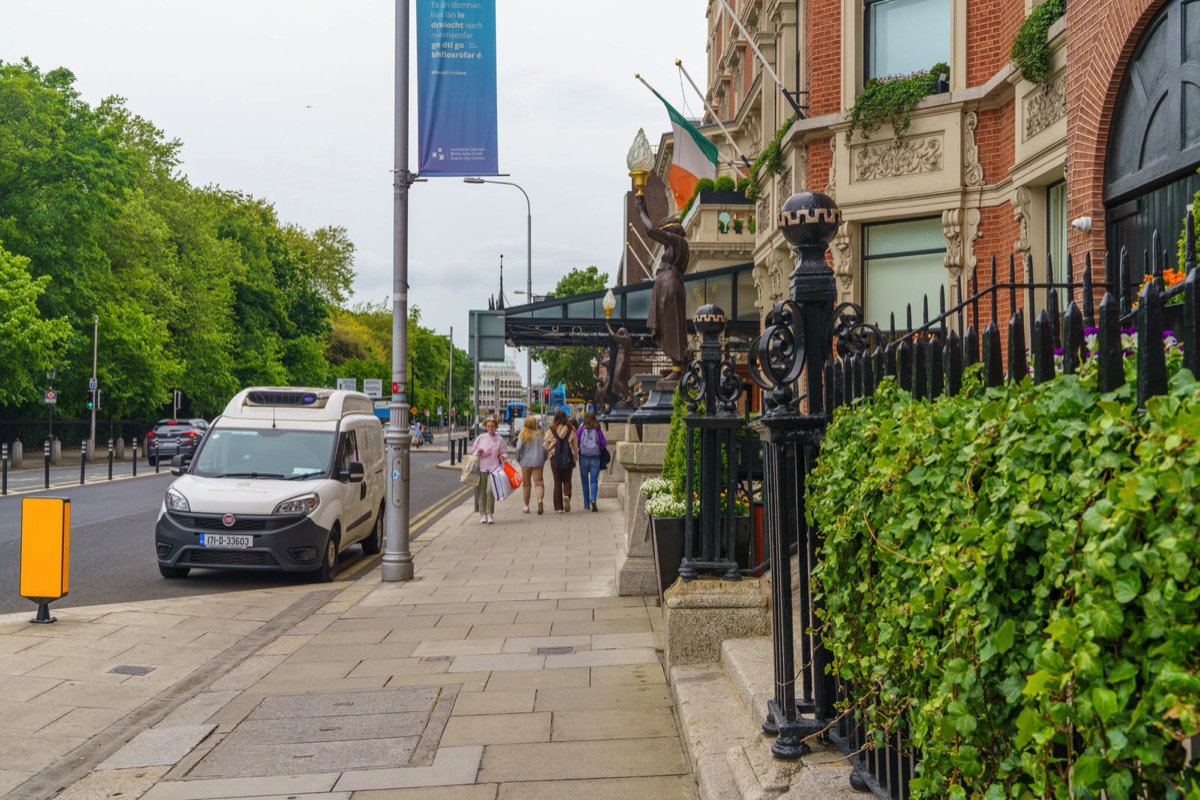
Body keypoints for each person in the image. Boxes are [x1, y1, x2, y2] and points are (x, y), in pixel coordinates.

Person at [635, 193, 689, 375]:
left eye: (665, 232)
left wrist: (642, 212)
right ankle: (677, 366)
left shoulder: (676, 241)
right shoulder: (679, 244)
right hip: (670, 283)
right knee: (671, 325)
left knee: (671, 325)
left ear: (671, 231)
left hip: (669, 284)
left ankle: (677, 366)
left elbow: (650, 230)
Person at [471, 417, 507, 524]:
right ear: (486, 427)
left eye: (492, 426)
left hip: (494, 469)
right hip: (481, 468)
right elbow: (473, 451)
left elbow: (503, 452)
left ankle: (490, 513)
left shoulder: (499, 439)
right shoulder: (481, 438)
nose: (490, 428)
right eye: (488, 426)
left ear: (496, 427)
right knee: (481, 492)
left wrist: (503, 456)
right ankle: (483, 514)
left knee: (490, 491)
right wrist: (478, 451)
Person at [543, 410, 578, 513]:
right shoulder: (571, 429)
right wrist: (575, 457)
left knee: (557, 481)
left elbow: (545, 444)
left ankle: (559, 508)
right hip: (568, 457)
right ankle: (566, 495)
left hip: (555, 457)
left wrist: (551, 447)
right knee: (567, 480)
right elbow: (575, 445)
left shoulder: (551, 430)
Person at [576, 410, 608, 513]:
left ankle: (586, 504)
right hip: (595, 458)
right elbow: (603, 443)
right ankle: (593, 499)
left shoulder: (581, 430)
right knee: (594, 481)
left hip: (583, 458)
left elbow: (576, 442)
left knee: (584, 481)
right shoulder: (598, 429)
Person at [515, 416, 547, 515]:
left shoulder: (523, 435)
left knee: (526, 485)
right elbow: (545, 449)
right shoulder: (540, 435)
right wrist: (544, 459)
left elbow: (518, 448)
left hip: (525, 463)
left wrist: (518, 459)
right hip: (538, 462)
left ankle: (526, 506)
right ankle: (539, 500)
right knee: (538, 483)